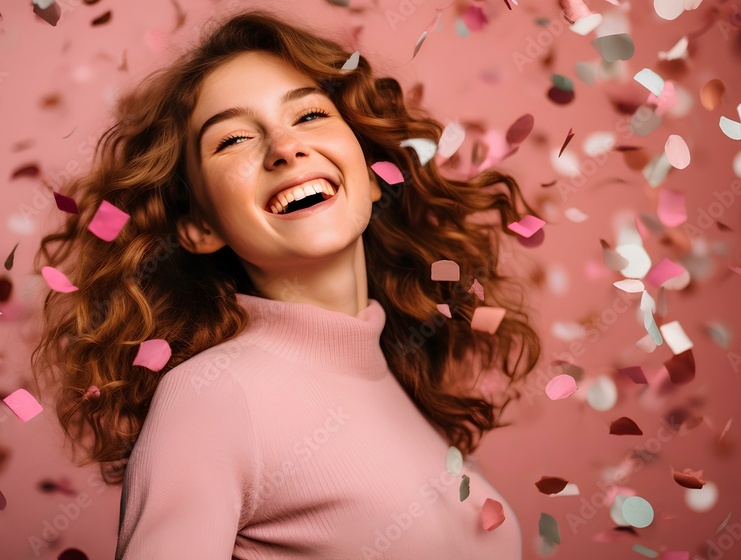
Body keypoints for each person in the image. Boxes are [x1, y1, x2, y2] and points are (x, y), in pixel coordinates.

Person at [29, 7, 541, 559]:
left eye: (310, 115)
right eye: (232, 141)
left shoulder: (400, 389)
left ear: (372, 175)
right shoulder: (213, 398)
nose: (284, 147)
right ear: (200, 226)